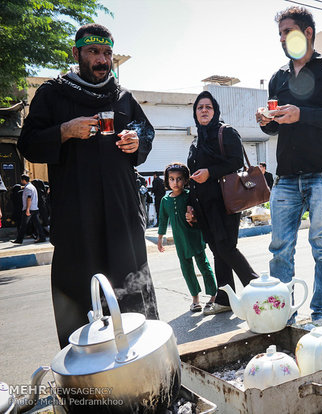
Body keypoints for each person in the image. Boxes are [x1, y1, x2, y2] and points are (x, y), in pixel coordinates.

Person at [18, 23, 159, 347]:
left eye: (107, 53)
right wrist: (64, 130)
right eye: (94, 52)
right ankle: (86, 384)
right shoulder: (53, 94)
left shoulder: (123, 98)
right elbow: (28, 144)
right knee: (83, 307)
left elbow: (146, 131)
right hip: (77, 223)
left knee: (134, 302)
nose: (101, 60)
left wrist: (137, 140)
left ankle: (145, 377)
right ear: (76, 53)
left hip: (122, 221)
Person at [256, 6, 322, 321]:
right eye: (280, 34)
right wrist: (265, 122)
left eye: (288, 32)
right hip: (285, 177)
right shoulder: (277, 78)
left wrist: (302, 113)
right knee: (279, 251)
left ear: (307, 32)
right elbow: (276, 127)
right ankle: (283, 319)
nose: (283, 39)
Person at [187, 91, 258, 316]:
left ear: (215, 110)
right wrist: (190, 204)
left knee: (226, 247)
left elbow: (236, 161)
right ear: (195, 113)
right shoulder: (197, 139)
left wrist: (210, 172)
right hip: (203, 204)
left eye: (208, 107)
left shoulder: (225, 132)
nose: (204, 110)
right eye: (200, 107)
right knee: (217, 250)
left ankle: (257, 290)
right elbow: (192, 174)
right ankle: (226, 298)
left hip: (225, 201)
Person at [157, 162, 217, 313]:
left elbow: (200, 213)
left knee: (203, 266)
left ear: (185, 180)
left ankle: (213, 296)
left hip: (195, 237)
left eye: (179, 179)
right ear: (167, 180)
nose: (175, 183)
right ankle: (195, 300)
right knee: (186, 269)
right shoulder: (165, 201)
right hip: (180, 241)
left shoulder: (190, 196)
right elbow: (163, 220)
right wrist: (160, 239)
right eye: (171, 179)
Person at [12, 174, 46, 244]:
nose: (21, 181)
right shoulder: (32, 187)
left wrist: (27, 209)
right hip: (34, 208)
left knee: (23, 225)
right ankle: (42, 237)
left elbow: (29, 198)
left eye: (21, 180)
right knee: (37, 224)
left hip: (29, 209)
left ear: (23, 180)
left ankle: (19, 239)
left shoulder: (28, 188)